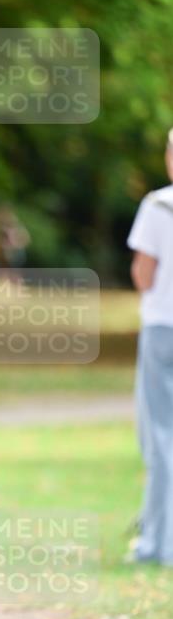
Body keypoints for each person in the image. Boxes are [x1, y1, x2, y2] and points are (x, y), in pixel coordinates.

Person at [127, 128, 173, 568]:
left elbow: (144, 272)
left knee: (160, 436)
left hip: (163, 328)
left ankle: (159, 542)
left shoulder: (160, 205)